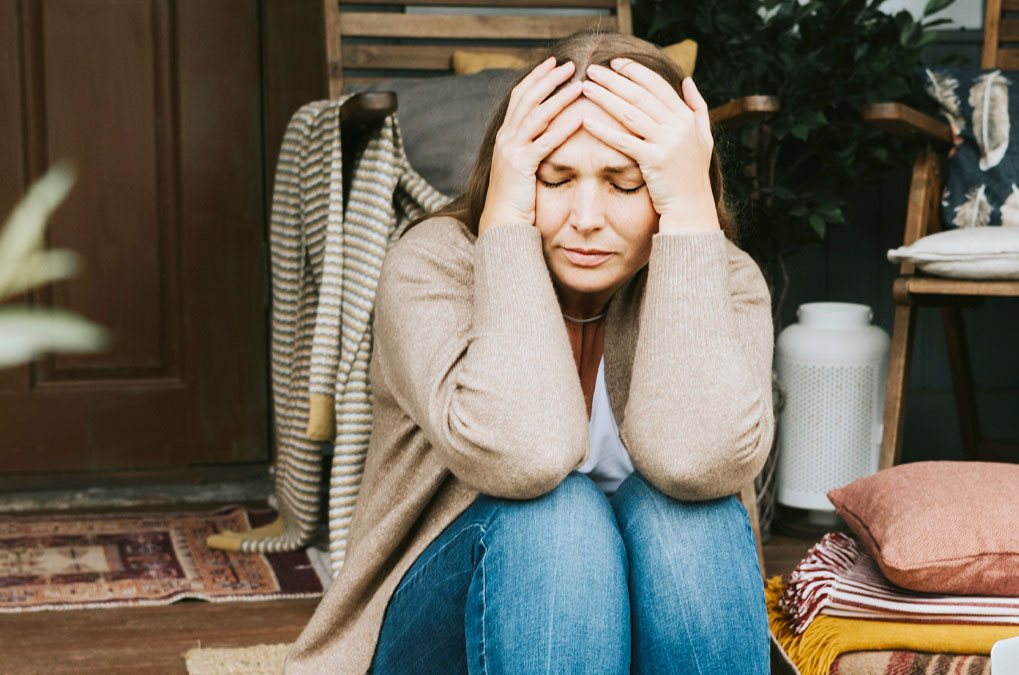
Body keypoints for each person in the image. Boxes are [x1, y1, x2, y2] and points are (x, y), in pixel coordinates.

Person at [285, 30, 775, 675]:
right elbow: (526, 454)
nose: (586, 216)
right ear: (515, 173)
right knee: (559, 516)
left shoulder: (725, 280)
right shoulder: (431, 266)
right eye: (555, 178)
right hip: (447, 631)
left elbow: (696, 462)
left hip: (642, 637)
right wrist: (507, 222)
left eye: (626, 185)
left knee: (688, 519)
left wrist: (689, 220)